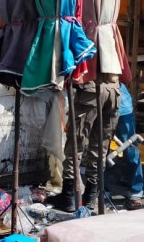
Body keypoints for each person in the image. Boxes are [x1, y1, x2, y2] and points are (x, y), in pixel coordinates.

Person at [48, 78, 120, 213]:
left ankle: (69, 196)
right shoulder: (117, 54)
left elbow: (73, 73)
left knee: (76, 143)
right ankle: (90, 197)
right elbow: (126, 75)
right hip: (113, 92)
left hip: (90, 90)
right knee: (100, 146)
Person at [113, 83, 144, 210]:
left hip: (121, 106)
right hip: (100, 104)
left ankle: (136, 189)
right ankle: (103, 188)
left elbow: (127, 77)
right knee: (100, 148)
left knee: (130, 147)